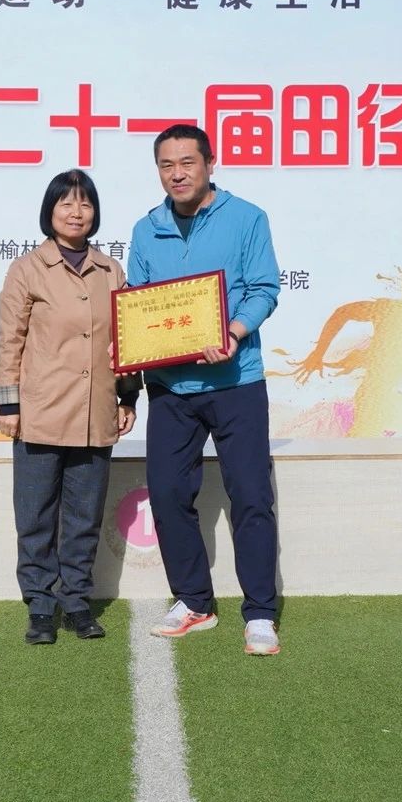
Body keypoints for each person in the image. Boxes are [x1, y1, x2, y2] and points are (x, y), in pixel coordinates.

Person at [128, 124, 283, 657]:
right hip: (171, 387)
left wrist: (234, 332)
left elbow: (264, 289)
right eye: (166, 165)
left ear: (210, 164)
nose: (177, 174)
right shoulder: (146, 230)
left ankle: (260, 612)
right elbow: (139, 305)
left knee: (251, 495)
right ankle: (194, 601)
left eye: (187, 162)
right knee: (168, 494)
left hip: (237, 381)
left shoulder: (247, 218)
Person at [0, 170, 139, 645]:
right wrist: (9, 405)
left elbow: (128, 340)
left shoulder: (111, 270)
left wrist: (128, 396)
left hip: (96, 413)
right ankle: (40, 606)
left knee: (84, 517)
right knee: (35, 517)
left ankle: (76, 602)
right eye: (66, 204)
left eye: (86, 204)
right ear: (50, 211)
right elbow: (10, 341)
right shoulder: (27, 269)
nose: (77, 213)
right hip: (40, 412)